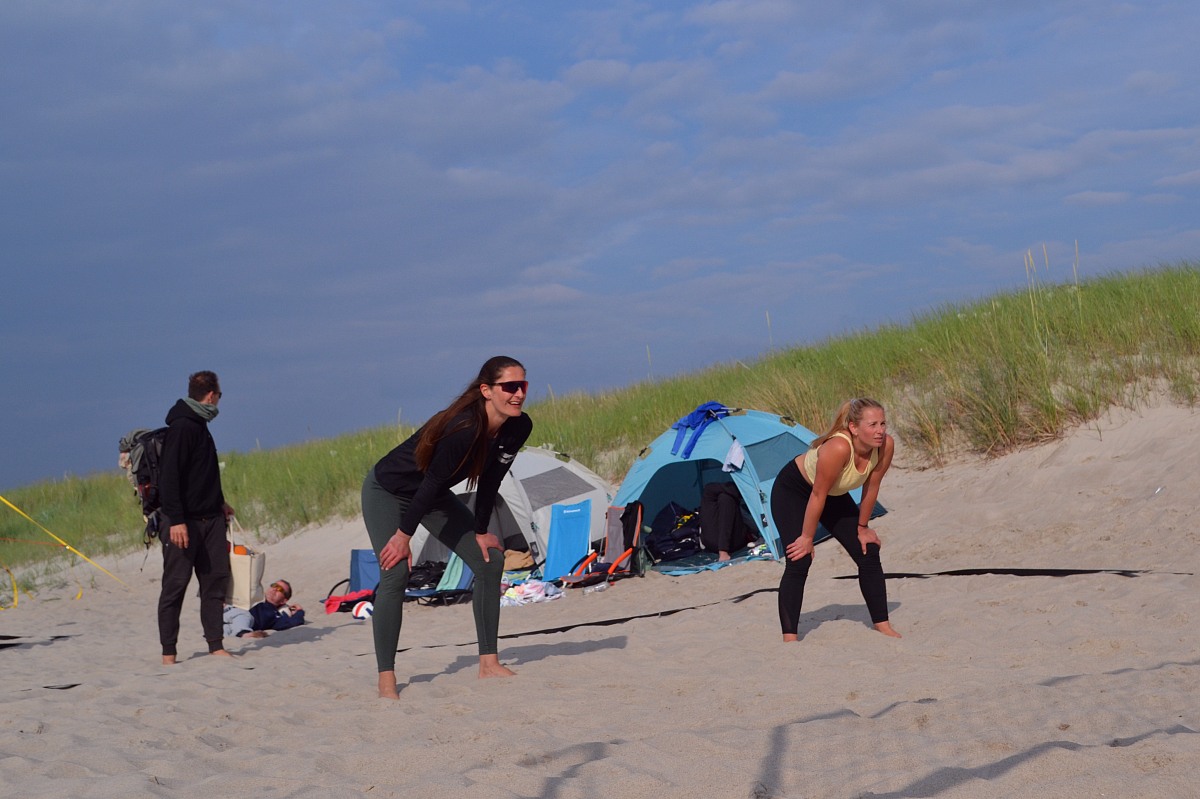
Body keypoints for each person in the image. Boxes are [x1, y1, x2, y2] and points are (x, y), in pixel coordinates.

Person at [361, 355, 532, 698]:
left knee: (490, 561)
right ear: (486, 390)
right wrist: (403, 537)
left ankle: (488, 663)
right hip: (388, 491)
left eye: (523, 386)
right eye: (510, 387)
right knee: (395, 573)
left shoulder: (518, 427)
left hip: (432, 496)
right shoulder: (463, 427)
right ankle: (386, 679)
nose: (518, 394)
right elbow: (430, 482)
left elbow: (491, 481)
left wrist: (480, 531)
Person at [771, 397, 901, 640]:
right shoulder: (839, 447)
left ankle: (882, 625)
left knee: (868, 550)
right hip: (794, 491)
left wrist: (863, 527)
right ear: (854, 427)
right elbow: (817, 494)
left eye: (883, 423)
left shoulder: (886, 445)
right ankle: (790, 638)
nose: (880, 431)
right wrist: (807, 538)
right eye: (872, 425)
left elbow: (872, 486)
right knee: (799, 559)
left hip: (831, 495)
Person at [156, 370, 236, 664]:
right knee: (175, 585)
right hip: (183, 522)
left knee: (215, 582)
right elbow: (169, 478)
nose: (219, 400)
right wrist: (176, 520)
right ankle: (169, 653)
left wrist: (220, 503)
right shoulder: (182, 426)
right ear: (211, 395)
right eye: (220, 395)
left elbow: (202, 473)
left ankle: (216, 644)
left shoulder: (201, 425)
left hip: (211, 518)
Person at [223, 579, 306, 639]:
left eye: (280, 589)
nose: (274, 589)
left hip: (238, 620)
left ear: (284, 601)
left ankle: (243, 633)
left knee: (228, 627)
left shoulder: (275, 615)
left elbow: (293, 622)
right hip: (227, 612)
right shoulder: (255, 600)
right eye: (274, 585)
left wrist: (299, 611)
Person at [699, 481, 759, 561]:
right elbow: (725, 523)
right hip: (732, 544)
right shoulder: (727, 498)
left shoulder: (708, 491)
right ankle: (760, 533)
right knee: (730, 504)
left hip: (708, 543)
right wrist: (723, 551)